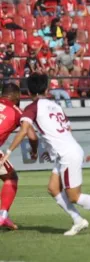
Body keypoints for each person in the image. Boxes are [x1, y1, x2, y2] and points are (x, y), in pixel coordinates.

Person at [0, 74, 90, 236]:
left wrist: (9, 151)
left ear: (29, 92)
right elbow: (66, 130)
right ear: (47, 89)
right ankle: (78, 220)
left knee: (74, 197)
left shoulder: (32, 108)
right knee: (53, 188)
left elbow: (26, 132)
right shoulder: (55, 106)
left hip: (67, 154)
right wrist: (54, 152)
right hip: (68, 150)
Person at [0, 84, 38, 230]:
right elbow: (32, 136)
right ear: (16, 96)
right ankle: (2, 215)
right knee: (11, 178)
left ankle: (4, 216)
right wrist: (34, 151)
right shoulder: (17, 112)